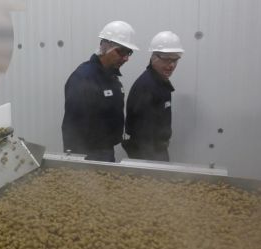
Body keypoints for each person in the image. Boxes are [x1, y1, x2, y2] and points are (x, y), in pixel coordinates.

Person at [61, 21, 139, 162]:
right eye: (121, 51)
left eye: (129, 52)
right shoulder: (83, 78)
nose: (126, 58)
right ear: (105, 46)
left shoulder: (111, 76)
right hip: (88, 154)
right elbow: (72, 125)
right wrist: (74, 161)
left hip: (106, 150)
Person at [123, 30, 184, 162]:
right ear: (154, 58)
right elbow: (142, 132)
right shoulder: (147, 86)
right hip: (147, 154)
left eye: (175, 60)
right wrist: (151, 164)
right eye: (166, 59)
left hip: (157, 151)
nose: (171, 65)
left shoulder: (161, 82)